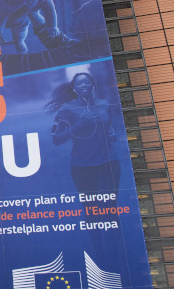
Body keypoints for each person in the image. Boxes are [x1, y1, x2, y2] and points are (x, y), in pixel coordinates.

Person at [47, 72, 123, 272]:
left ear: (92, 84)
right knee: (92, 211)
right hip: (82, 165)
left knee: (110, 209)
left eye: (87, 82)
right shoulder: (67, 109)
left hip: (109, 161)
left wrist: (111, 134)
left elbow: (109, 129)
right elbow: (56, 139)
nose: (84, 85)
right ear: (74, 88)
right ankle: (100, 254)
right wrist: (80, 124)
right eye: (79, 83)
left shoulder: (105, 104)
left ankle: (117, 258)